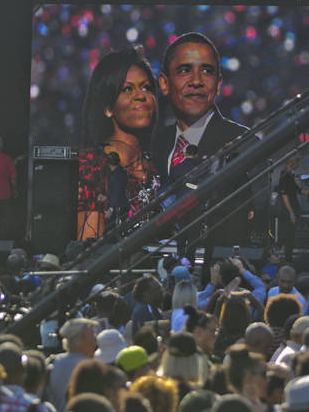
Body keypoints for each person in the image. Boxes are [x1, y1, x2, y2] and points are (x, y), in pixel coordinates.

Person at [153, 33, 250, 262]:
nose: (196, 81)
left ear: (218, 85)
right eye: (185, 70)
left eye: (206, 71)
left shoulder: (244, 141)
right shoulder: (154, 142)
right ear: (165, 83)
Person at [77, 47, 160, 241]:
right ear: (107, 108)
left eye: (146, 87)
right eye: (127, 89)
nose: (141, 95)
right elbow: (88, 245)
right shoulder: (93, 164)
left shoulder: (157, 166)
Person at [277, 156, 303, 260]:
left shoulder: (289, 176)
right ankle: (286, 257)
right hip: (288, 211)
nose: (298, 165)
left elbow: (297, 191)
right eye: (297, 162)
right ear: (291, 163)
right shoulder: (284, 176)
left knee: (289, 236)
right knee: (287, 236)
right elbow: (285, 195)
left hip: (292, 210)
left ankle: (288, 257)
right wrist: (291, 212)